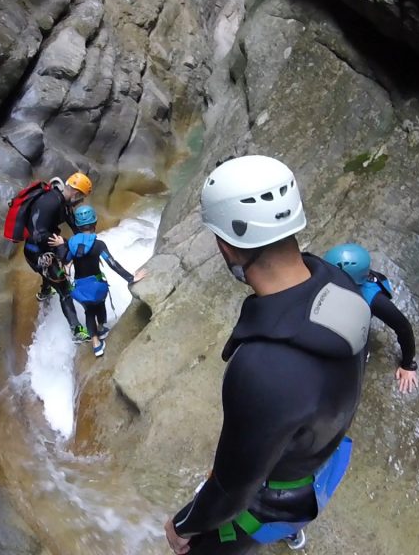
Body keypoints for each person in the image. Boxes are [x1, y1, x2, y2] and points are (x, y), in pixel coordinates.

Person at [164, 155, 372, 555]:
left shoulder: (263, 368)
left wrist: (184, 525)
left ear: (227, 245)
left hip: (269, 500)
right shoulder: (339, 283)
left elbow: (231, 489)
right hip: (318, 464)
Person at [48, 205, 145, 357]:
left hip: (80, 289)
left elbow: (65, 259)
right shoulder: (99, 245)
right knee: (100, 305)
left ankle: (95, 343)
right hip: (98, 287)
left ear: (77, 226)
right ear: (95, 224)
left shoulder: (72, 244)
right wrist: (131, 278)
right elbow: (112, 264)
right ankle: (101, 328)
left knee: (89, 311)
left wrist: (61, 245)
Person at [323, 243, 419, 393]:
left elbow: (403, 327)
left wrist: (408, 365)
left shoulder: (373, 299)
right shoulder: (347, 274)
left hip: (361, 311)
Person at [24, 171, 93, 343]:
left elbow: (74, 226)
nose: (80, 202)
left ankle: (45, 291)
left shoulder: (61, 200)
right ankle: (76, 330)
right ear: (76, 193)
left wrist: (85, 244)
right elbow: (38, 234)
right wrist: (65, 243)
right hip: (36, 252)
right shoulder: (51, 203)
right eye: (81, 198)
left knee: (53, 268)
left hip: (43, 248)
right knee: (64, 288)